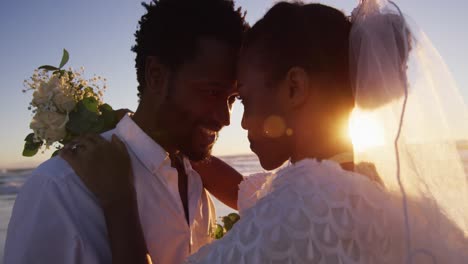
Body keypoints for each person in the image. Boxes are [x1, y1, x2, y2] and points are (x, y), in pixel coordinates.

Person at [63, 0, 468, 263]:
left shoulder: (302, 209)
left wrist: (118, 201)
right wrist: (169, 141)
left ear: (294, 88)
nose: (236, 121)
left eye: (248, 100)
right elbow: (245, 191)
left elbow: (283, 210)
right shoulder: (372, 189)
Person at [4, 0, 248, 263]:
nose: (225, 118)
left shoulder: (197, 187)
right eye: (212, 92)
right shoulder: (60, 188)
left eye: (233, 98)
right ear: (156, 76)